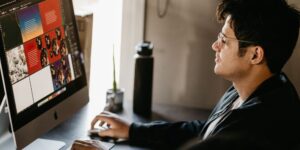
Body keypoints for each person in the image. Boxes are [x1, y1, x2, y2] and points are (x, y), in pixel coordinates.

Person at [73, 0, 300, 149]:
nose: (214, 46)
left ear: (255, 55)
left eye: (224, 40)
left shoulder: (256, 128)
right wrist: (133, 130)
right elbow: (205, 131)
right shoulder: (255, 88)